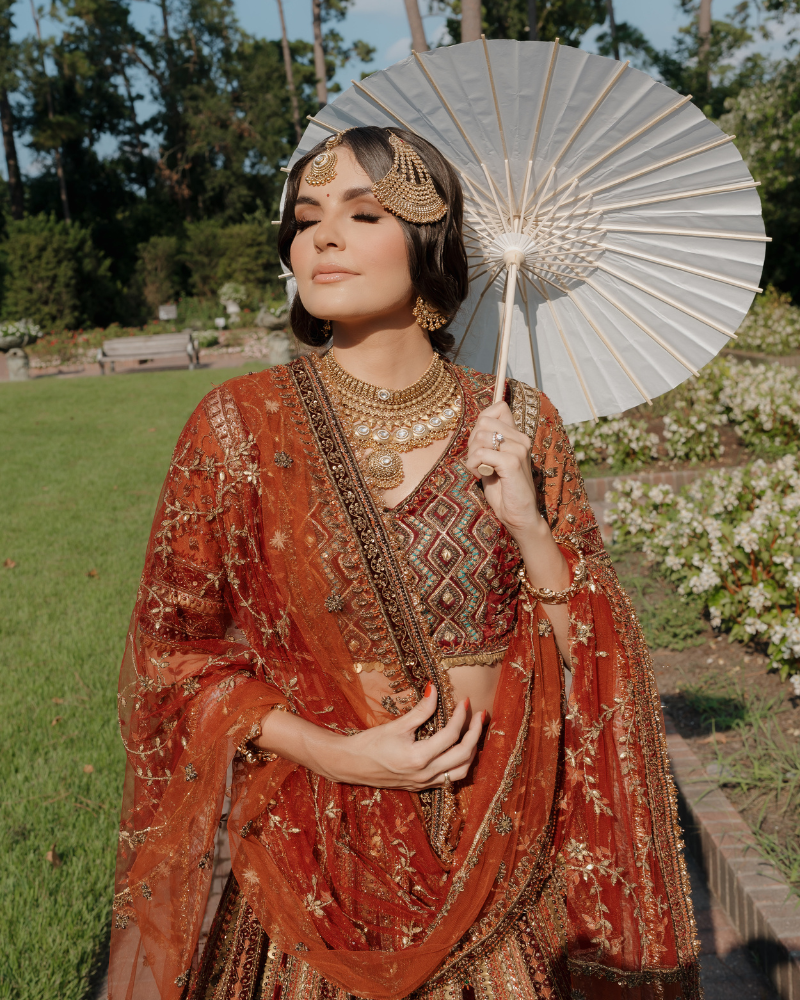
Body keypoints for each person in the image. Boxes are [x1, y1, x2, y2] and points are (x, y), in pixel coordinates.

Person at [109, 127, 701, 1000]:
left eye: (363, 213)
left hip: (499, 847)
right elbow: (172, 659)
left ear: (429, 242)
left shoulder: (520, 424)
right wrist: (335, 752)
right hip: (320, 862)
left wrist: (530, 524)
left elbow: (595, 659)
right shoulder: (239, 425)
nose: (323, 237)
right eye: (307, 218)